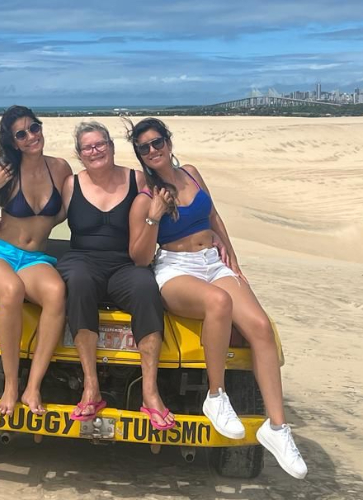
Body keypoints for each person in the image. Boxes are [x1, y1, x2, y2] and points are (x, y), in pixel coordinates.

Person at [126, 117, 307, 479]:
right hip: (175, 269)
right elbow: (140, 258)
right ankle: (216, 395)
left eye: (157, 142)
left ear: (168, 142)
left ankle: (277, 427)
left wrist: (231, 256)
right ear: (141, 156)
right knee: (219, 303)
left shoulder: (191, 173)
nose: (153, 150)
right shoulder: (145, 199)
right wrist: (154, 218)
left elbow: (213, 217)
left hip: (212, 261)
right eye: (144, 148)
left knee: (260, 327)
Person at [57, 121, 175, 430]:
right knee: (79, 281)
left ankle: (150, 392)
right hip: (83, 261)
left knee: (146, 286)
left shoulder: (137, 179)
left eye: (100, 144)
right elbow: (43, 216)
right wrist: (3, 228)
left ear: (111, 146)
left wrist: (208, 234)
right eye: (88, 147)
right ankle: (91, 386)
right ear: (79, 154)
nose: (95, 151)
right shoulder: (71, 184)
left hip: (126, 264)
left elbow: (169, 206)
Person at [0, 105, 72, 416]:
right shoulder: (6, 172)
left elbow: (70, 209)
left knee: (56, 292)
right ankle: (11, 385)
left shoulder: (60, 168)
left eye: (34, 128)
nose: (31, 137)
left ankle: (33, 386)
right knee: (11, 290)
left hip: (35, 257)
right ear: (13, 142)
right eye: (21, 134)